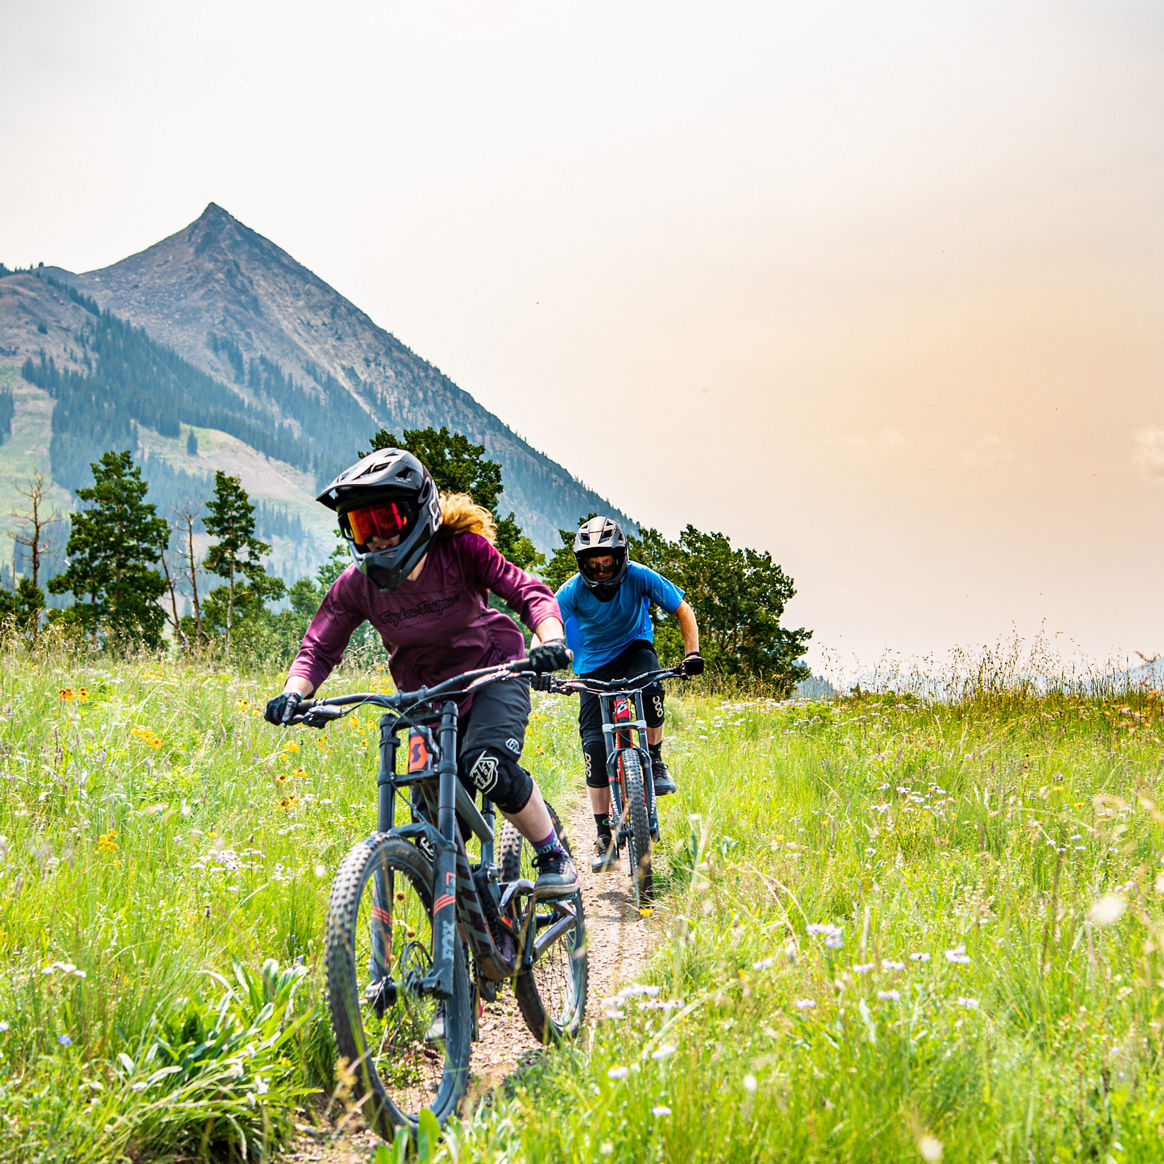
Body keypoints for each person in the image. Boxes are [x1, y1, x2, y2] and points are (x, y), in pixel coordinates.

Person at [264, 447, 579, 897]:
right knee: (429, 829)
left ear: (418, 514)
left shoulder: (462, 551)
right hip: (423, 701)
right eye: (360, 526)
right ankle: (467, 927)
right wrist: (294, 693)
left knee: (486, 765)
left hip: (494, 676)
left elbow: (528, 593)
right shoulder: (357, 586)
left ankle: (552, 853)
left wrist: (549, 640)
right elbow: (319, 645)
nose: (373, 540)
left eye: (383, 522)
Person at [554, 516, 702, 872]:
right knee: (593, 745)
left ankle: (655, 756)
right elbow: (547, 624)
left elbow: (682, 609)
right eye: (594, 564)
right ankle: (604, 835)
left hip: (634, 649)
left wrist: (692, 653)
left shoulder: (639, 576)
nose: (602, 571)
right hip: (591, 666)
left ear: (620, 558)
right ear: (582, 563)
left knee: (651, 686)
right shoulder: (571, 591)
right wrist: (542, 662)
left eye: (607, 562)